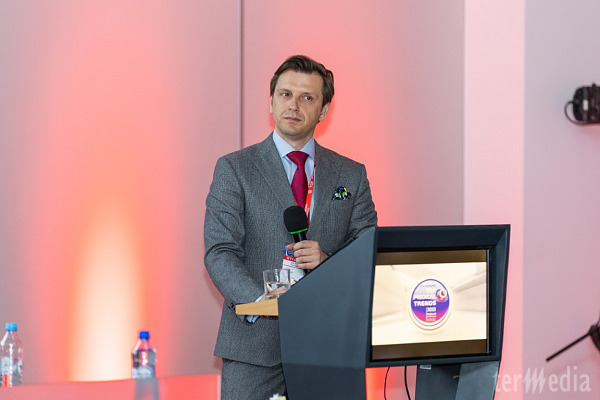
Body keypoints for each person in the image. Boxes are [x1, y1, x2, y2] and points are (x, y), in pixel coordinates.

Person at [204, 55, 377, 400]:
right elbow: (220, 252)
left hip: (329, 347)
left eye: (307, 97)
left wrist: (328, 261)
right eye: (285, 94)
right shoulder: (235, 168)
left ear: (324, 110)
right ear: (271, 102)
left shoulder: (350, 175)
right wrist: (261, 303)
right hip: (254, 347)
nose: (293, 105)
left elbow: (368, 249)